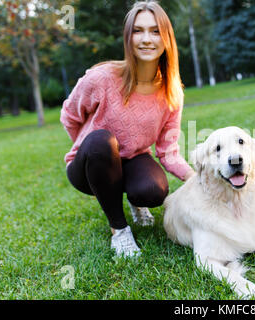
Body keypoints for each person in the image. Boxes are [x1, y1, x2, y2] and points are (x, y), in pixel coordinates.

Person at [60, 1, 195, 258]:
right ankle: (119, 230)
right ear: (128, 37)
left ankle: (136, 203)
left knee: (153, 190)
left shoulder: (172, 91)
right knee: (100, 141)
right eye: (138, 31)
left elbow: (168, 152)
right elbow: (69, 116)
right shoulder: (101, 78)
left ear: (167, 38)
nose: (146, 39)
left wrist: (195, 178)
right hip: (89, 166)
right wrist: (86, 150)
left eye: (155, 31)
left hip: (133, 160)